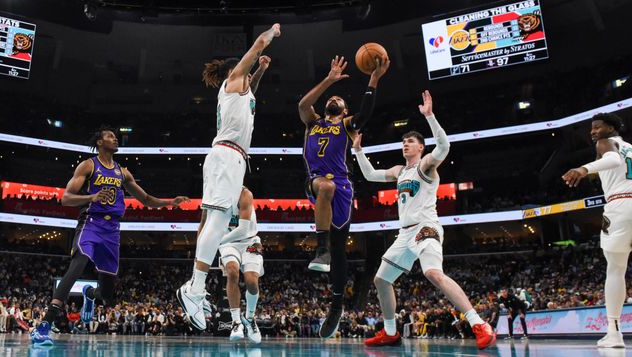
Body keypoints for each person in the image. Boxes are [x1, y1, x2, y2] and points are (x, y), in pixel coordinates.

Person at [355, 91, 496, 350]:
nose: (405, 144)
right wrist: (358, 151)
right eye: (404, 141)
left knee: (433, 273)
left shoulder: (426, 166)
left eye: (410, 141)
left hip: (425, 227)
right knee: (381, 280)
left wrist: (429, 116)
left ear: (420, 147)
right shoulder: (399, 171)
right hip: (404, 234)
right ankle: (390, 332)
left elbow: (444, 147)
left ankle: (479, 323)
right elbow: (371, 175)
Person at [30, 126, 188, 346]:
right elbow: (66, 199)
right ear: (100, 142)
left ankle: (90, 295)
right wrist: (92, 197)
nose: (115, 139)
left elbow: (147, 200)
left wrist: (171, 202)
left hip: (113, 231)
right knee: (77, 266)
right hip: (91, 223)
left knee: (107, 294)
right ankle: (44, 326)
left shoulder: (123, 172)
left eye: (115, 136)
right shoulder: (88, 165)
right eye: (110, 136)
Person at [177, 24, 281, 331]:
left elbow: (252, 94)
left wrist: (260, 71)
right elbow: (259, 43)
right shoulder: (234, 78)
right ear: (236, 69)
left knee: (216, 221)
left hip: (232, 158)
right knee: (218, 222)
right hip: (226, 156)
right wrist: (272, 33)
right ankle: (194, 289)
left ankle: (196, 288)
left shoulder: (242, 91)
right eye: (248, 69)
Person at [298, 55, 388, 338]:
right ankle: (320, 247)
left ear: (344, 109)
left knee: (340, 251)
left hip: (343, 187)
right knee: (324, 187)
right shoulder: (312, 123)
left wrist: (373, 79)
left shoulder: (347, 125)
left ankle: (336, 305)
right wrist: (329, 80)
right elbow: (302, 105)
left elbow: (366, 112)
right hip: (317, 182)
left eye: (339, 97)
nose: (334, 98)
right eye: (331, 97)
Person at [562, 112, 631, 349]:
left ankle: (614, 334)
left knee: (616, 269)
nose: (593, 132)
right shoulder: (631, 148)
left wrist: (584, 169)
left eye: (597, 127)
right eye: (591, 129)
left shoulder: (606, 143)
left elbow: (612, 160)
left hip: (620, 206)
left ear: (611, 128)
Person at [219, 187, 263, 343]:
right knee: (232, 272)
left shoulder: (245, 194)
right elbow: (206, 224)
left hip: (249, 240)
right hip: (228, 243)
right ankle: (236, 322)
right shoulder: (215, 194)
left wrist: (217, 242)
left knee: (251, 281)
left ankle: (250, 319)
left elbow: (243, 230)